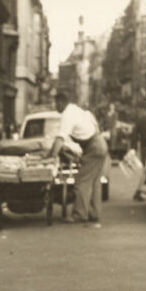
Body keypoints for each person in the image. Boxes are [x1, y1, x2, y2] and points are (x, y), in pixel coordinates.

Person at [48, 91, 108, 227]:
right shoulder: (78, 110)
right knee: (94, 182)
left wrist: (51, 157)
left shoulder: (68, 114)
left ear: (61, 102)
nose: (55, 105)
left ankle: (79, 214)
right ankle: (94, 213)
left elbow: (60, 138)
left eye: (55, 102)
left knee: (81, 181)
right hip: (100, 144)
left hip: (94, 147)